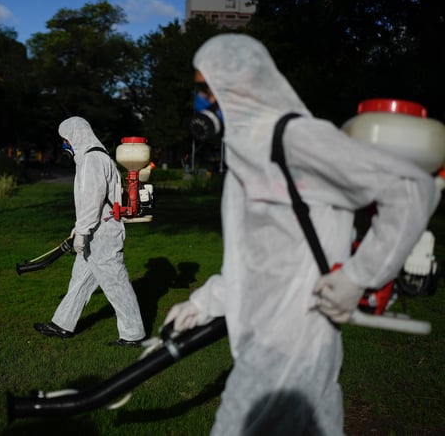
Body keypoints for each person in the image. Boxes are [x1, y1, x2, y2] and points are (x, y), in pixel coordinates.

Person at [163, 34, 438, 434]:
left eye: (207, 87)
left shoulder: (295, 139)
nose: (202, 100)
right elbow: (261, 256)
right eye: (199, 89)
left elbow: (412, 188)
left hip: (290, 345)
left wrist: (359, 276)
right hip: (277, 338)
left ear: (242, 84)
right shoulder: (248, 151)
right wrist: (207, 301)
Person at [34, 116, 146, 347]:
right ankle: (62, 324)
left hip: (101, 233)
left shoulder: (93, 159)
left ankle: (133, 334)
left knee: (116, 284)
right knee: (80, 280)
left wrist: (83, 231)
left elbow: (93, 201)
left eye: (65, 139)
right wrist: (79, 230)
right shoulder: (94, 156)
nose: (65, 144)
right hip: (96, 229)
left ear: (75, 135)